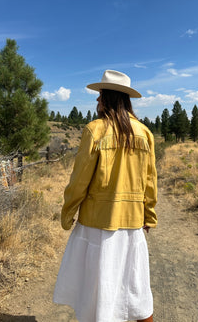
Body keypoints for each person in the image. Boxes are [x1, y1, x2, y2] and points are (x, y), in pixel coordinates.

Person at [53, 70, 158, 322]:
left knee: (97, 289)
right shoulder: (144, 133)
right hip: (132, 224)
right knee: (135, 287)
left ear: (110, 98)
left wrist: (67, 214)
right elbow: (150, 182)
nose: (97, 101)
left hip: (95, 225)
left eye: (100, 96)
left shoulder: (95, 130)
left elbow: (79, 181)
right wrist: (149, 216)